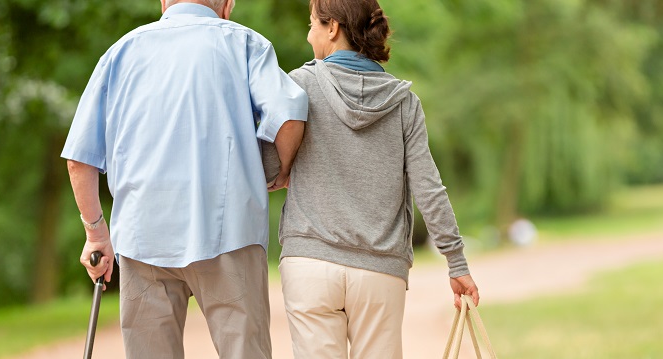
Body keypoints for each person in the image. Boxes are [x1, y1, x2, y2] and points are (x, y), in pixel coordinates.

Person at [61, 0, 308, 358]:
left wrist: (96, 233)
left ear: (164, 2)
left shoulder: (121, 52)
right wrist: (282, 169)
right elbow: (289, 117)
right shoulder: (245, 44)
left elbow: (78, 160)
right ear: (228, 4)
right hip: (230, 233)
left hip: (141, 237)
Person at [263, 0, 480, 357]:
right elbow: (428, 188)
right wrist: (456, 263)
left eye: (312, 25)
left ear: (332, 28)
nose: (309, 36)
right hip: (380, 272)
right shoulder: (404, 103)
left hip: (311, 264)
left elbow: (270, 167)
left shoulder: (298, 86)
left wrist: (284, 170)